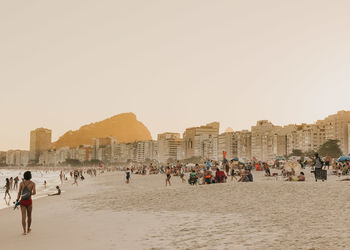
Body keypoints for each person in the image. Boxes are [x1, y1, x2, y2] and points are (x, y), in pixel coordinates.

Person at [16, 171, 36, 235]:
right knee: (29, 216)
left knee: (23, 217)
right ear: (30, 176)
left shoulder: (21, 183)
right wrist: (29, 193)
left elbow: (19, 192)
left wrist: (17, 199)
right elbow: (34, 193)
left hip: (22, 201)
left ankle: (24, 231)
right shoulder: (33, 183)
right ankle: (28, 229)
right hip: (29, 201)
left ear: (24, 176)